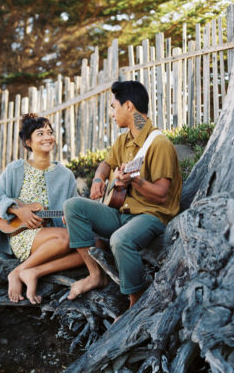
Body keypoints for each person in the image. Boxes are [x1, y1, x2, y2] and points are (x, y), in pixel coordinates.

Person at [63, 80, 182, 308]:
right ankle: (94, 274)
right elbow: (105, 166)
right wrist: (99, 180)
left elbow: (161, 196)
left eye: (113, 107)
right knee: (73, 206)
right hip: (120, 213)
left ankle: (135, 304)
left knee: (120, 239)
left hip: (150, 216)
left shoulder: (159, 144)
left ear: (128, 106)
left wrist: (135, 181)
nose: (111, 114)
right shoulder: (123, 140)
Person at [0, 113, 83, 304]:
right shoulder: (15, 169)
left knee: (93, 245)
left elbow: (73, 205)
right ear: (28, 141)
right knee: (65, 238)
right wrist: (17, 210)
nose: (47, 137)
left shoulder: (65, 175)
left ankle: (32, 271)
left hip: (54, 234)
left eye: (50, 132)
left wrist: (72, 216)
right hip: (22, 234)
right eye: (40, 134)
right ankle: (16, 273)